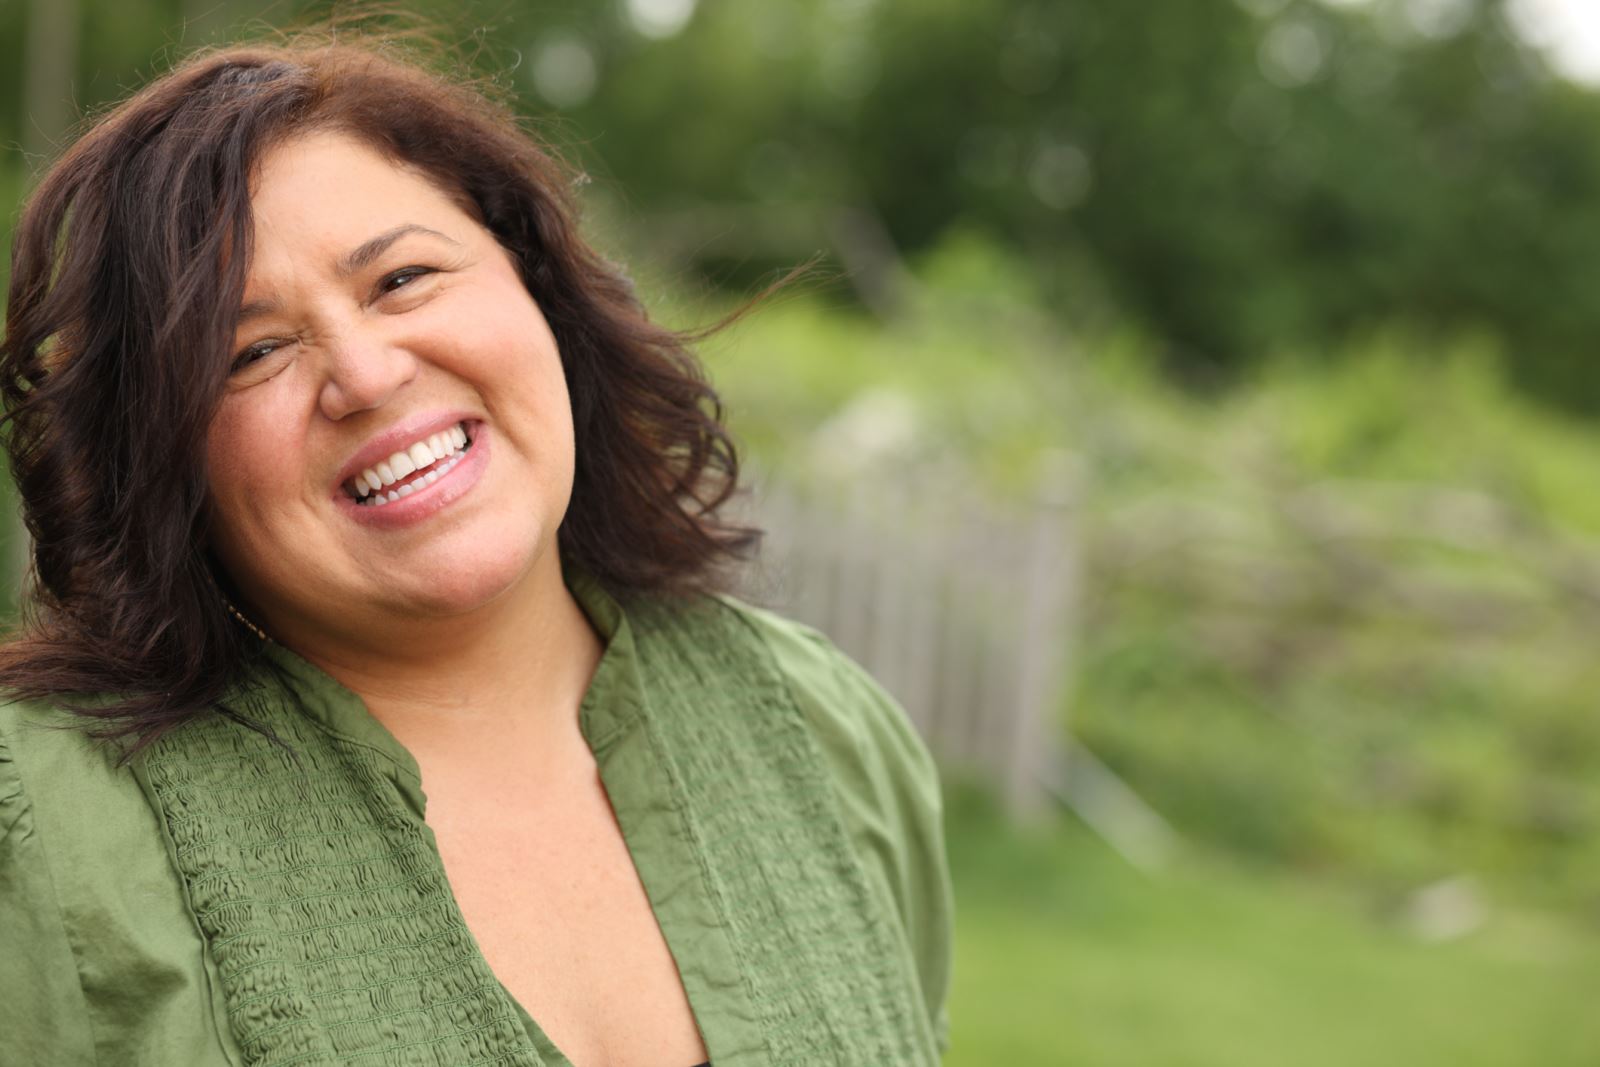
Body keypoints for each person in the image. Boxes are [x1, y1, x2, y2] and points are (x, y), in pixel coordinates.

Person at [0, 32, 953, 1067]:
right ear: (162, 464)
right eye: (252, 351)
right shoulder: (44, 824)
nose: (364, 372)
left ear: (538, 283)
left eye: (403, 277)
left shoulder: (826, 726)